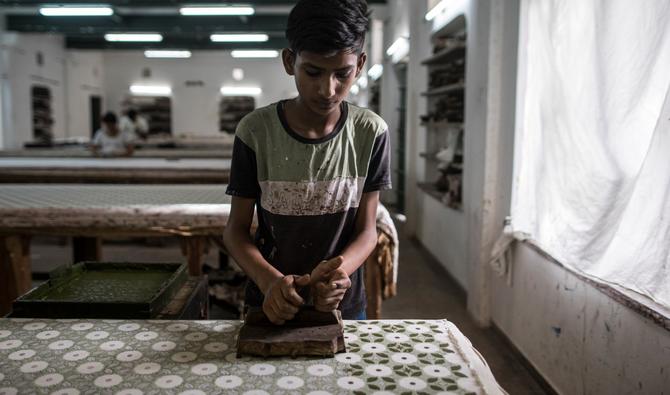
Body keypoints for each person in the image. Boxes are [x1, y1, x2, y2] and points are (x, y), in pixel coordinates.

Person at [223, 0, 391, 324]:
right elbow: (236, 231)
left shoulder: (370, 132)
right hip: (269, 300)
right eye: (313, 71)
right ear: (290, 61)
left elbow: (368, 230)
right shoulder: (255, 131)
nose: (327, 89)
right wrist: (269, 281)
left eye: (342, 74)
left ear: (359, 65)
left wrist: (339, 273)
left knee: (347, 375)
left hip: (342, 302)